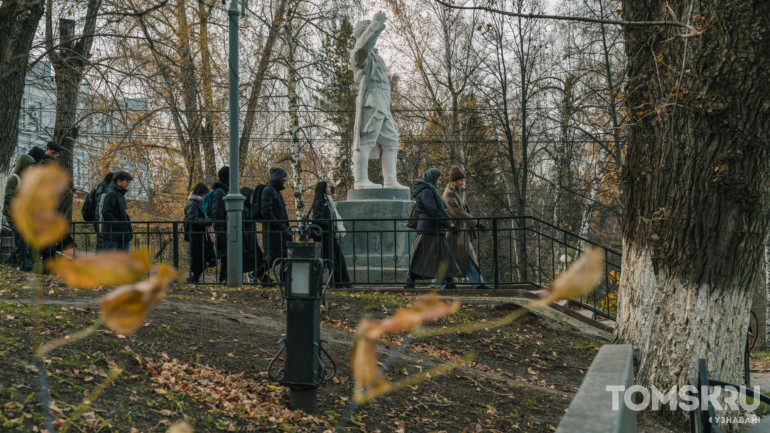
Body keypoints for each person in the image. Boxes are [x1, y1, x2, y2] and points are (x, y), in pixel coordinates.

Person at [350, 12, 406, 190]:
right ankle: (360, 181)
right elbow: (361, 48)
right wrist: (375, 25)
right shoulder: (360, 55)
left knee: (391, 142)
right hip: (371, 102)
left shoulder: (375, 56)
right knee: (366, 140)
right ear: (364, 34)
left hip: (383, 103)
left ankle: (390, 181)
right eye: (369, 32)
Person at [406, 168, 461, 289]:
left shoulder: (430, 190)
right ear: (433, 178)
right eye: (439, 179)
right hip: (429, 229)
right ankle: (410, 281)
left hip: (434, 229)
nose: (440, 182)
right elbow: (433, 210)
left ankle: (450, 282)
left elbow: (434, 210)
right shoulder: (426, 191)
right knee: (422, 256)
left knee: (445, 256)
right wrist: (448, 224)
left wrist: (446, 224)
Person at [443, 166, 491, 290]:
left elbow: (461, 211)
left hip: (461, 232)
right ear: (453, 180)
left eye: (463, 180)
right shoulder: (449, 193)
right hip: (455, 233)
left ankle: (478, 283)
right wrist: (475, 223)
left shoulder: (455, 192)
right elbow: (457, 212)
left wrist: (474, 223)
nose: (462, 183)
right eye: (460, 180)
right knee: (451, 259)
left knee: (468, 257)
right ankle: (441, 284)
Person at [312, 181, 352, 288]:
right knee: (333, 260)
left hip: (330, 235)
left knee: (340, 259)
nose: (330, 189)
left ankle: (346, 283)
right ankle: (338, 284)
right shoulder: (319, 202)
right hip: (324, 236)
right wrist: (328, 223)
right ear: (323, 189)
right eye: (328, 187)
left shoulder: (328, 202)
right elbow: (317, 218)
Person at [2, 154, 36, 270]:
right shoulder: (14, 179)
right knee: (22, 244)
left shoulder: (24, 179)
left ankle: (22, 267)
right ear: (24, 166)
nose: (32, 168)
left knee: (24, 243)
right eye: (30, 166)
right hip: (15, 217)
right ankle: (24, 268)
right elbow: (8, 197)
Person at [261, 167, 290, 281]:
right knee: (272, 258)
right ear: (277, 178)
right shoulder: (268, 190)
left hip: (280, 230)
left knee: (283, 256)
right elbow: (266, 212)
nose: (284, 180)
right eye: (283, 177)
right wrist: (280, 225)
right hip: (273, 232)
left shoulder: (276, 191)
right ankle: (256, 273)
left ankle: (284, 280)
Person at [184, 182, 215, 283]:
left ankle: (194, 278)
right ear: (200, 193)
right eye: (204, 194)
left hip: (201, 235)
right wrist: (207, 222)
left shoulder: (198, 203)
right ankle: (194, 278)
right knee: (198, 257)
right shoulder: (193, 204)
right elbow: (193, 219)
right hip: (196, 235)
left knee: (206, 257)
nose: (204, 196)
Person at [99, 171, 133, 251]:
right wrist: (119, 224)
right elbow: (106, 213)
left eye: (129, 182)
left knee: (123, 260)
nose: (128, 184)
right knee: (109, 260)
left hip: (121, 233)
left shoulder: (119, 194)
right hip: (113, 234)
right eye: (126, 181)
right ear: (118, 181)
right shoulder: (112, 194)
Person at [210, 167, 229, 283]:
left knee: (227, 256)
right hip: (223, 230)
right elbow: (217, 214)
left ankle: (225, 279)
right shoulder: (219, 193)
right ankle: (223, 279)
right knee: (225, 256)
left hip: (225, 229)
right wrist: (220, 233)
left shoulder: (224, 191)